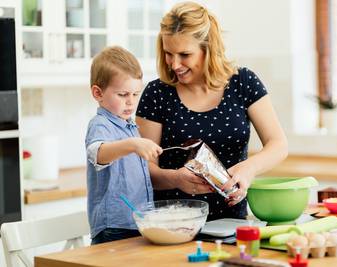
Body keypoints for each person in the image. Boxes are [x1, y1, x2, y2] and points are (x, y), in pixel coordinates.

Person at [136, 2, 288, 220]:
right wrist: (174, 179)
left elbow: (278, 145)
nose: (175, 64)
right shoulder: (156, 93)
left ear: (208, 49)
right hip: (173, 224)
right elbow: (142, 169)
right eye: (169, 53)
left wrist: (249, 168)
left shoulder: (243, 82)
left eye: (185, 54)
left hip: (232, 223)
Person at [86, 46, 162, 244]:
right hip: (114, 227)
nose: (131, 102)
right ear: (98, 93)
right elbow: (98, 153)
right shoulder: (100, 124)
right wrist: (132, 144)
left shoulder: (130, 126)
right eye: (122, 94)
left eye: (136, 94)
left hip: (137, 223)